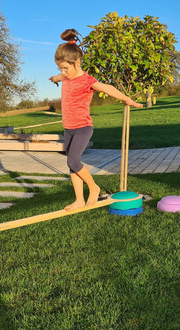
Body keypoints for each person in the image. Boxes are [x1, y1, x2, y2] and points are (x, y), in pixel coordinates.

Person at [49, 28, 143, 212]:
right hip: (68, 128)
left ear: (77, 62)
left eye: (65, 68)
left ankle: (94, 187)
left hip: (83, 127)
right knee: (72, 165)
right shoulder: (66, 77)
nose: (63, 72)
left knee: (73, 162)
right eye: (60, 69)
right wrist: (54, 78)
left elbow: (107, 88)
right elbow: (60, 76)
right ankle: (79, 200)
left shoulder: (87, 80)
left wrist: (127, 99)